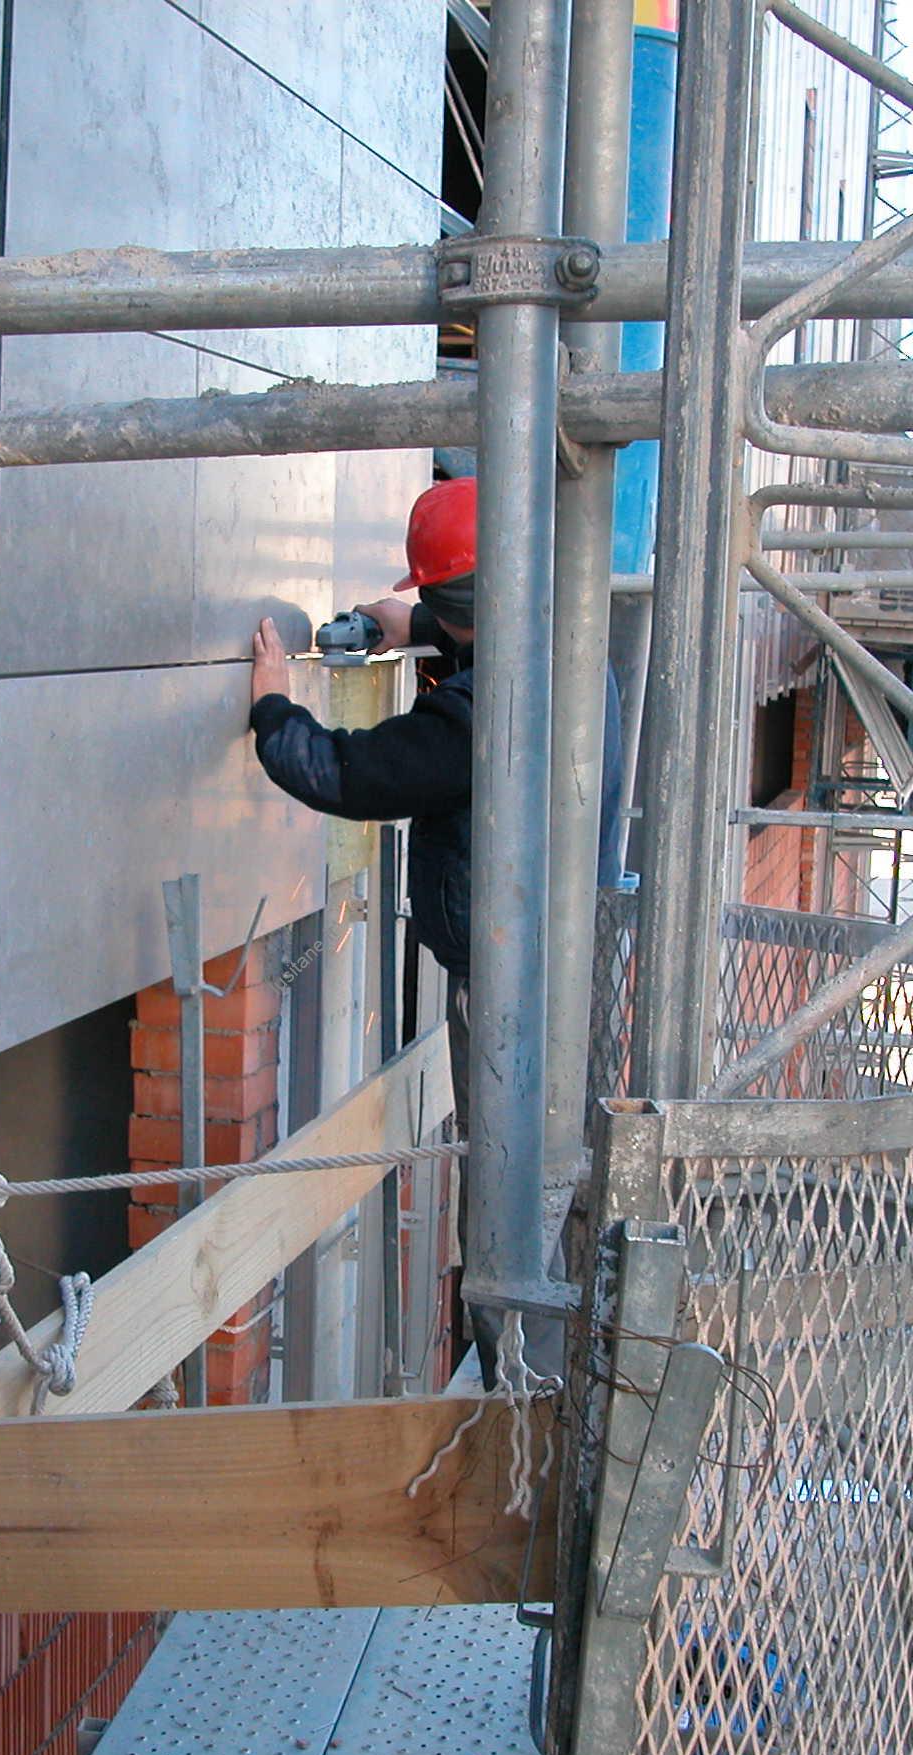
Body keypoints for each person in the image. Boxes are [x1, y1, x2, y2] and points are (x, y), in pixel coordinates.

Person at [243, 474, 623, 1375]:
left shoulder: (479, 715)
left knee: (504, 1200)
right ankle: (560, 1363)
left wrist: (272, 708)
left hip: (507, 988)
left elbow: (347, 773)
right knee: (556, 1177)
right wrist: (412, 624)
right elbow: (490, 633)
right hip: (572, 960)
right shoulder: (573, 652)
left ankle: (522, 1389)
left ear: (458, 608)